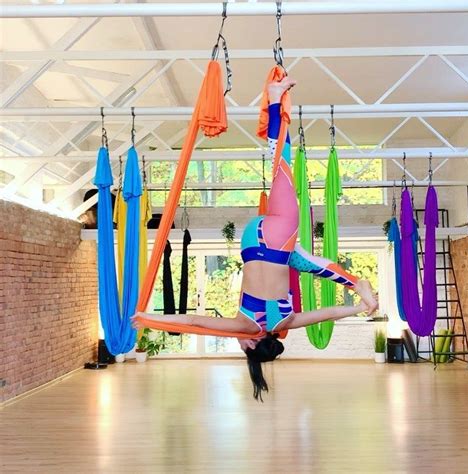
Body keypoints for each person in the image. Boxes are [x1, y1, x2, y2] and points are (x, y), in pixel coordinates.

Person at [132, 74, 378, 401]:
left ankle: (360, 288)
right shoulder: (243, 325)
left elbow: (331, 312)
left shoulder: (286, 319)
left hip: (278, 240)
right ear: (250, 344)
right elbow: (192, 319)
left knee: (283, 168)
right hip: (253, 240)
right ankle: (274, 97)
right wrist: (147, 318)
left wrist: (359, 309)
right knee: (301, 254)